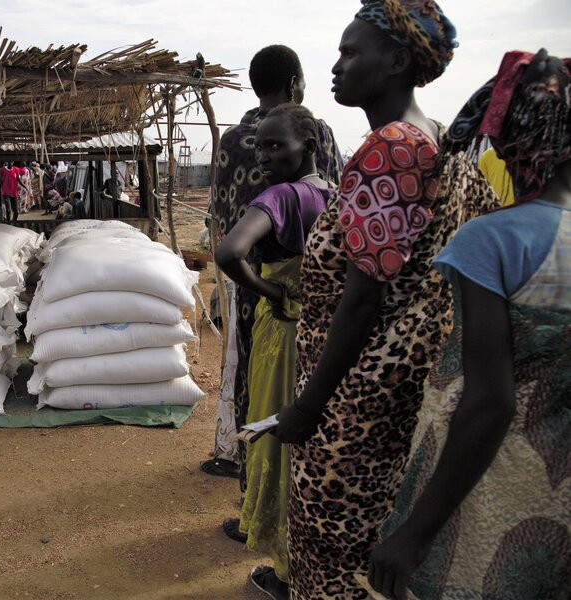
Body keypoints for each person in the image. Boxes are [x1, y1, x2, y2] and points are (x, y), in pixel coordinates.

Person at [267, 2, 500, 598]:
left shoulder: (390, 150)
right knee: (370, 548)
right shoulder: (438, 141)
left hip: (353, 399)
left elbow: (363, 299)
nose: (336, 66)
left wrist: (309, 406)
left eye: (351, 52)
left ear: (396, 61)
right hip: (398, 389)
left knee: (331, 551)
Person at [366, 49, 571, 600]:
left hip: (502, 486)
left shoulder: (495, 239)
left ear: (512, 139)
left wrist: (415, 532)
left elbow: (491, 401)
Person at [204, 45, 345, 483]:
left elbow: (221, 222)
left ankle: (253, 480)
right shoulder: (314, 132)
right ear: (294, 84)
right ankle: (286, 483)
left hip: (250, 280)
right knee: (307, 377)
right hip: (314, 280)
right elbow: (336, 199)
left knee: (251, 375)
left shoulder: (231, 141)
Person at [215, 104, 334, 597]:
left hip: (283, 332)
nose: (263, 155)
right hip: (324, 331)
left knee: (278, 438)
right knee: (312, 447)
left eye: (275, 145)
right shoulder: (334, 190)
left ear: (306, 144)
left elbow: (227, 252)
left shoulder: (282, 197)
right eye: (259, 145)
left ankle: (285, 570)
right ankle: (305, 556)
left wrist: (271, 292)